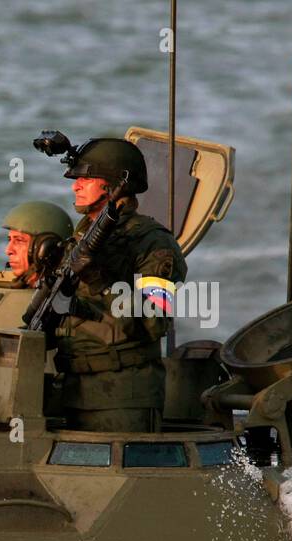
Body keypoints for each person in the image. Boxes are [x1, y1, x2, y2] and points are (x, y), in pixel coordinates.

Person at [50, 137, 188, 433]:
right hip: (71, 390)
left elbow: (154, 321)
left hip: (123, 396)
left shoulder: (153, 244)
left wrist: (100, 281)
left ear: (115, 185)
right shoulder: (81, 240)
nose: (75, 186)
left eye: (86, 179)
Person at [2, 201, 73, 289]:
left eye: (19, 240)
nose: (8, 250)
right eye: (10, 240)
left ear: (46, 249)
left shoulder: (67, 296)